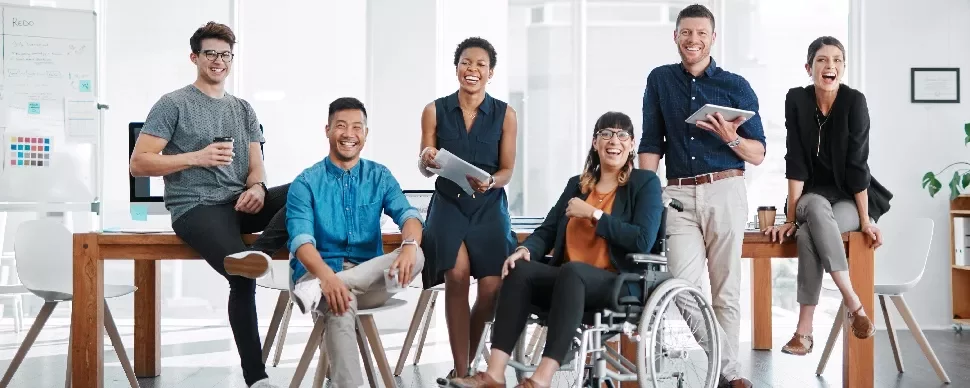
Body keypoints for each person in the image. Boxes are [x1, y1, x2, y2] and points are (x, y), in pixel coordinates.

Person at [447, 111, 664, 388]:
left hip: (616, 281)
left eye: (622, 135)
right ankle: (494, 374)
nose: (614, 140)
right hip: (568, 280)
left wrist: (594, 215)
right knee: (520, 269)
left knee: (573, 272)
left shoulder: (644, 183)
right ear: (595, 142)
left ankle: (541, 380)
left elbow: (642, 240)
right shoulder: (577, 184)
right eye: (606, 133)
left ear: (632, 144)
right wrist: (526, 251)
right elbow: (548, 230)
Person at [128, 21, 287, 388]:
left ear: (232, 59)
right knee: (241, 279)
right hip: (196, 207)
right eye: (211, 53)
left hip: (240, 202)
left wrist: (259, 188)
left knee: (310, 188)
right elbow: (140, 162)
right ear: (195, 57)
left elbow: (255, 163)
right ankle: (257, 379)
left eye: (225, 54)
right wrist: (196, 157)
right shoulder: (173, 104)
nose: (219, 61)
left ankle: (259, 253)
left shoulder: (243, 108)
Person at [637, 5, 765, 388]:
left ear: (713, 38)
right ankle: (727, 368)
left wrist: (730, 137)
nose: (693, 39)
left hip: (725, 187)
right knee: (682, 287)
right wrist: (645, 193)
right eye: (686, 32)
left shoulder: (736, 85)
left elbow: (758, 153)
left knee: (727, 291)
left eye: (701, 33)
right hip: (677, 194)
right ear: (675, 36)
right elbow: (650, 141)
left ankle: (728, 375)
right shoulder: (659, 80)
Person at [282, 97, 425, 388]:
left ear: (366, 134)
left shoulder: (379, 176)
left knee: (417, 253)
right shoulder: (306, 182)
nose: (350, 134)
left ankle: (330, 286)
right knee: (339, 303)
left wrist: (409, 245)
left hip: (367, 282)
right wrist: (326, 278)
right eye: (341, 126)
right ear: (327, 130)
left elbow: (409, 215)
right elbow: (301, 242)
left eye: (357, 127)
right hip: (321, 275)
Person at [765, 36, 891, 356]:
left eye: (837, 60)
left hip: (849, 199)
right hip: (809, 197)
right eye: (822, 60)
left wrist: (865, 220)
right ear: (809, 68)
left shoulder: (854, 102)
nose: (829, 65)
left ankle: (803, 332)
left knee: (811, 232)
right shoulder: (796, 100)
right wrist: (792, 217)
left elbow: (857, 165)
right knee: (816, 210)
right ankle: (853, 301)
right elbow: (794, 161)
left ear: (843, 68)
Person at [418, 36, 518, 380]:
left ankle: (470, 363)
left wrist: (491, 181)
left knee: (491, 287)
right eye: (466, 63)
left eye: (480, 65)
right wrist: (427, 160)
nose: (472, 70)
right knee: (457, 276)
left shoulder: (506, 115)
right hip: (448, 204)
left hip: (489, 205)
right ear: (456, 67)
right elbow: (424, 162)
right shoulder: (434, 109)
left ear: (491, 73)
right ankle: (462, 371)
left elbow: (506, 170)